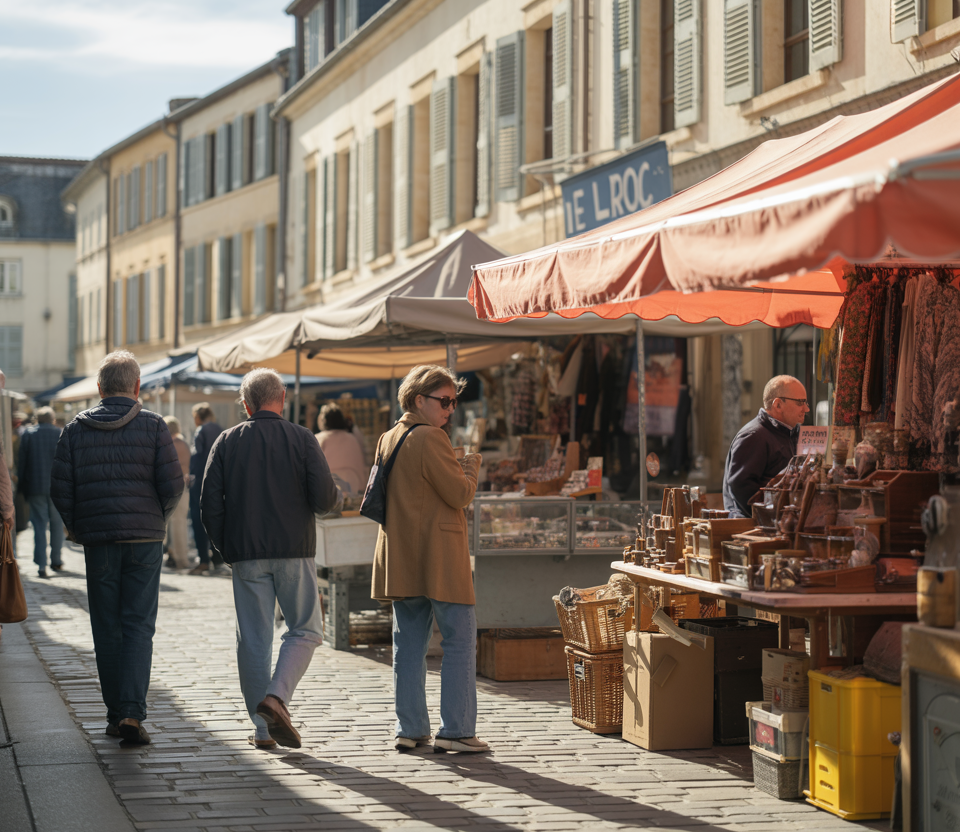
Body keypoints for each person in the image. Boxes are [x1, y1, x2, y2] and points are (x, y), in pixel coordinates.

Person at [200, 368, 341, 749]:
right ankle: (277, 697)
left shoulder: (226, 442)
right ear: (282, 398)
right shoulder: (301, 438)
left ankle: (262, 729)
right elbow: (327, 500)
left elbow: (209, 506)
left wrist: (227, 549)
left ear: (246, 404)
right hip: (294, 549)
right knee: (307, 629)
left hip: (246, 553)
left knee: (253, 640)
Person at [51, 351, 184, 744]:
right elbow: (173, 485)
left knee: (106, 628)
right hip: (144, 540)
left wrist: (78, 528)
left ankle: (115, 715)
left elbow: (60, 488)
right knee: (139, 626)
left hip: (99, 541)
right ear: (137, 386)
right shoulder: (155, 426)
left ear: (99, 388)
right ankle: (132, 713)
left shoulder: (76, 429)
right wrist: (157, 518)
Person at [371, 364, 486, 753]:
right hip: (439, 556)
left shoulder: (389, 437)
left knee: (408, 646)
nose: (450, 409)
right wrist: (470, 466)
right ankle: (456, 731)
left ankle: (411, 728)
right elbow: (459, 495)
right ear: (419, 399)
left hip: (403, 556)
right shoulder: (431, 438)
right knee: (459, 641)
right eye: (444, 401)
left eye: (454, 401)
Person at [723, 375, 809, 518]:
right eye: (800, 402)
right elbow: (742, 488)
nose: (806, 409)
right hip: (753, 528)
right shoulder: (753, 436)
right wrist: (770, 517)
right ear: (778, 405)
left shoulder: (793, 433)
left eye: (806, 402)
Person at [18, 407, 64, 577]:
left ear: (37, 419)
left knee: (38, 525)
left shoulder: (29, 434)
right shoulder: (60, 433)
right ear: (52, 419)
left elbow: (22, 463)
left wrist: (22, 487)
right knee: (57, 523)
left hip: (35, 486)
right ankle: (57, 560)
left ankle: (41, 564)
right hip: (57, 487)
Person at [188, 403, 222, 575]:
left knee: (198, 519)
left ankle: (203, 560)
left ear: (197, 417)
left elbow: (196, 457)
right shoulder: (221, 430)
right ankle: (217, 558)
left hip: (201, 482)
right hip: (219, 484)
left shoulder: (201, 431)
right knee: (216, 520)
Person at [315, 403, 368, 494]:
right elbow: (360, 465)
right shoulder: (352, 438)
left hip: (328, 490)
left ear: (324, 420)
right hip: (354, 487)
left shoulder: (319, 439)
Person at [163, 416, 192, 570]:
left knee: (168, 523)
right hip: (183, 486)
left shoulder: (167, 444)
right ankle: (180, 557)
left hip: (170, 486)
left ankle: (176, 557)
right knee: (180, 523)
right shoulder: (185, 444)